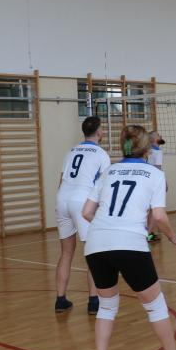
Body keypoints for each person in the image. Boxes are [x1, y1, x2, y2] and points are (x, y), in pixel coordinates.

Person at [81, 125, 176, 350]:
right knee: (156, 306)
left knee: (107, 306)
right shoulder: (155, 174)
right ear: (147, 149)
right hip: (130, 244)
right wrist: (173, 237)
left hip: (96, 244)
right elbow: (158, 216)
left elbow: (86, 212)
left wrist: (107, 227)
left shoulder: (108, 171)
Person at [54, 116, 110, 314]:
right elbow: (104, 187)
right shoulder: (101, 154)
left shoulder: (71, 151)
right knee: (92, 252)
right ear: (99, 132)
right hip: (82, 201)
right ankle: (93, 302)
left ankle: (60, 300)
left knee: (66, 253)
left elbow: (62, 180)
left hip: (62, 199)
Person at [146, 130, 165, 242]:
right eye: (158, 135)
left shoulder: (148, 151)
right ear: (154, 139)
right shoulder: (158, 152)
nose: (160, 135)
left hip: (147, 181)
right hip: (154, 183)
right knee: (154, 210)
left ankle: (150, 233)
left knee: (149, 209)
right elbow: (158, 169)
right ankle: (147, 234)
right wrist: (164, 182)